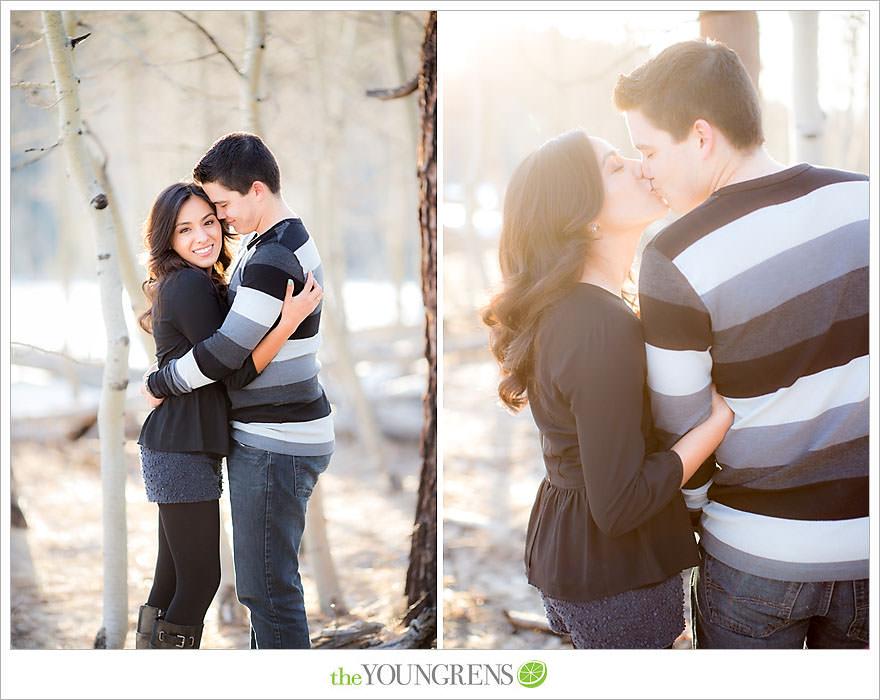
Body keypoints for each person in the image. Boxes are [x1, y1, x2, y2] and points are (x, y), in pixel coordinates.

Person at [613, 39, 869, 648]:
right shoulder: (866, 202)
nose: (644, 168)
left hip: (755, 558)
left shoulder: (675, 254)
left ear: (701, 136)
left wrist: (696, 518)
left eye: (648, 149)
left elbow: (685, 430)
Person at [482, 129, 734, 649]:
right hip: (618, 579)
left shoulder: (580, 308)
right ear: (582, 214)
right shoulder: (597, 324)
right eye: (616, 167)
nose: (642, 167)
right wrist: (715, 425)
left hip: (585, 563)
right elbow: (619, 504)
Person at [142, 133, 334, 649]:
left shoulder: (271, 254)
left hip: (275, 440)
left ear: (255, 190)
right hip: (252, 436)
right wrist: (284, 326)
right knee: (230, 585)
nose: (218, 223)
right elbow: (232, 362)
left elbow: (227, 362)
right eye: (192, 225)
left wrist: (159, 381)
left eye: (219, 210)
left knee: (264, 592)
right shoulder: (278, 242)